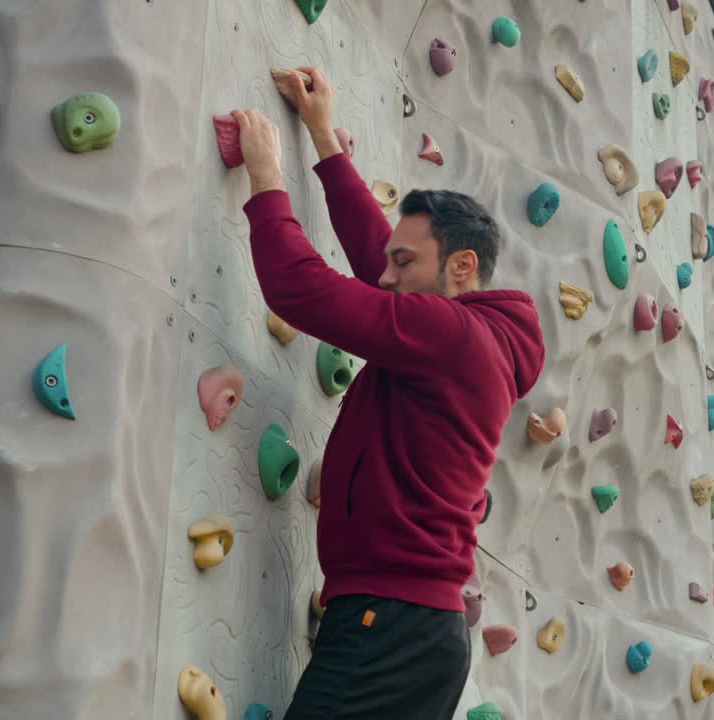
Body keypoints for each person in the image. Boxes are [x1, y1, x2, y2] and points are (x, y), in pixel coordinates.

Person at [232, 66, 545, 719]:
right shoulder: (470, 336)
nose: (389, 271)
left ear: (460, 269)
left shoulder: (452, 335)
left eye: (409, 262)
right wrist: (322, 136)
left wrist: (266, 176)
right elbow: (378, 256)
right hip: (417, 625)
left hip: (391, 619)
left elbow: (302, 292)